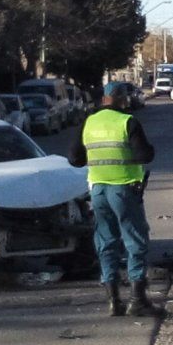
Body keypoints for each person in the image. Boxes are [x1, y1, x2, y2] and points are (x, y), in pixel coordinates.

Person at [69, 82, 164, 318]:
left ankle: (113, 301)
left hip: (98, 189)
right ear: (121, 99)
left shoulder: (89, 122)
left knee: (106, 242)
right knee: (135, 241)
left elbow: (75, 159)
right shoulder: (127, 122)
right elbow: (144, 155)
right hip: (124, 189)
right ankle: (137, 299)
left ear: (104, 99)